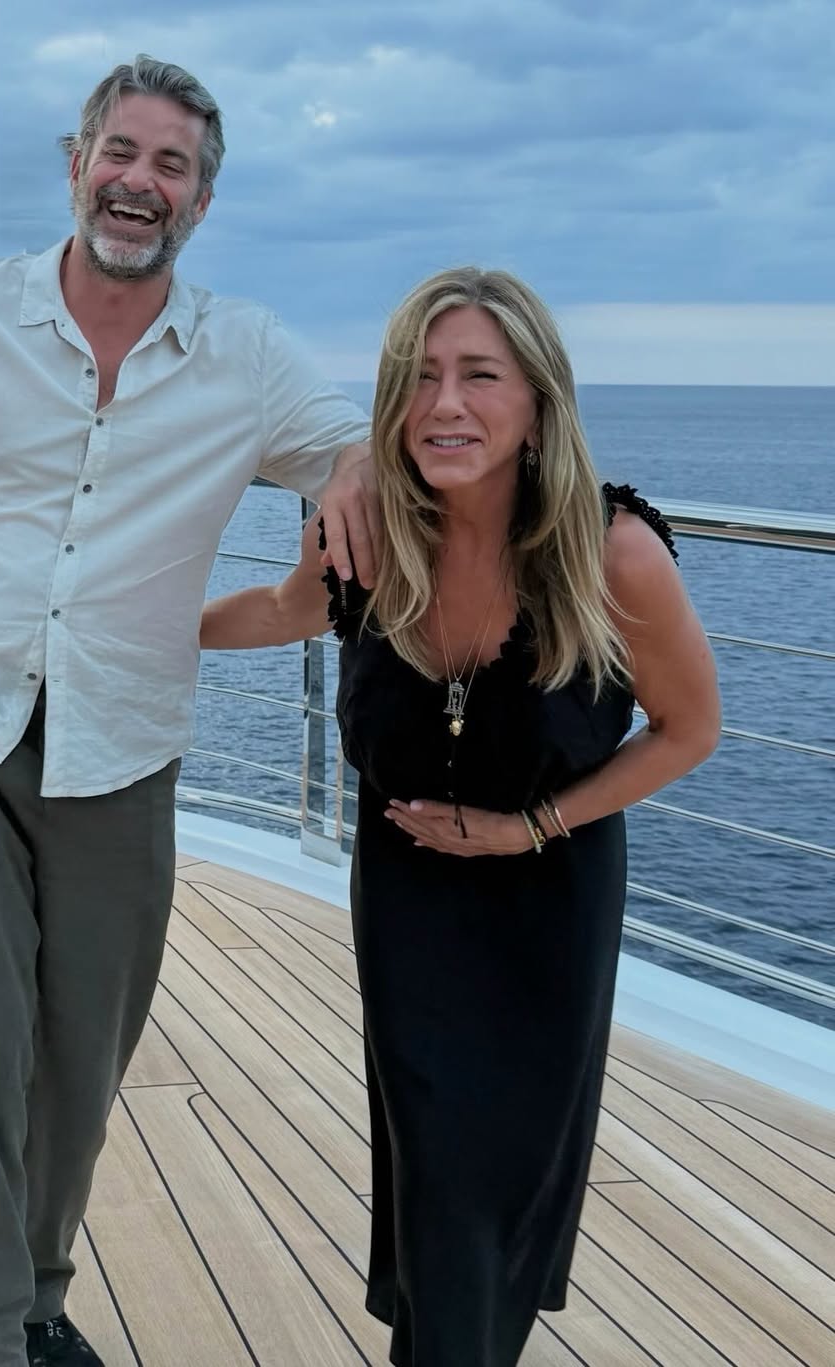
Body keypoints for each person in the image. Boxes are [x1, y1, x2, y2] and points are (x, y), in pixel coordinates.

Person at [0, 55, 376, 1367]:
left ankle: (33, 1287)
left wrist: (355, 472)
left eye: (172, 165)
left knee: (85, 1054)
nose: (141, 182)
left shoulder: (243, 355)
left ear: (200, 201)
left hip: (126, 738)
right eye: (121, 153)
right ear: (79, 163)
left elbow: (351, 445)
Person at [200, 266, 721, 1366]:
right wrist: (131, 626)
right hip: (408, 903)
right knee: (437, 1176)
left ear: (536, 401)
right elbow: (280, 611)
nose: (446, 403)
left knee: (506, 1186)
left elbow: (686, 730)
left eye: (480, 375)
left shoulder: (612, 551)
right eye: (421, 377)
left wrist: (528, 827)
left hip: (549, 905)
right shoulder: (369, 536)